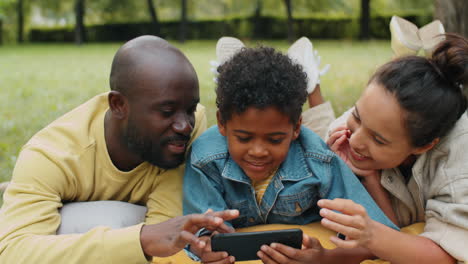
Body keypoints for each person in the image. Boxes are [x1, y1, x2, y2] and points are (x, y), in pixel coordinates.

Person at [0, 35, 240, 264]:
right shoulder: (51, 155)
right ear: (118, 105)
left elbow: (168, 235)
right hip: (75, 225)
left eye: (190, 109)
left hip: (135, 220)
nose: (184, 125)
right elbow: (12, 252)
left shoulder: (186, 128)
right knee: (103, 219)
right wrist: (141, 240)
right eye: (167, 112)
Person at [260, 34, 468, 264]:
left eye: (378, 139)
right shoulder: (349, 132)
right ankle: (311, 86)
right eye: (357, 116)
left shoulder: (459, 161)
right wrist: (367, 174)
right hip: (339, 136)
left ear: (424, 146)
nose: (357, 140)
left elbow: (445, 256)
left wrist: (371, 235)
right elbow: (390, 222)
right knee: (321, 138)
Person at [182, 46, 398, 263]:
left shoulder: (318, 159)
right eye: (244, 138)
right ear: (221, 123)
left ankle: (313, 84)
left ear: (296, 128)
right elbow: (202, 231)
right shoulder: (206, 159)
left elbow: (377, 234)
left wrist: (327, 258)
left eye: (274, 140)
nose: (258, 152)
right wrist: (206, 248)